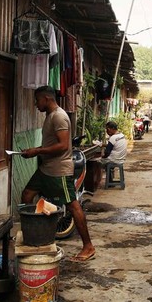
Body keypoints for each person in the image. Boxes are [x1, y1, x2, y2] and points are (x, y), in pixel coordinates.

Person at [21, 85, 95, 261]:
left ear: (46, 99)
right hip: (46, 169)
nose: (35, 104)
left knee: (72, 206)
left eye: (37, 100)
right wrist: (36, 151)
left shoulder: (59, 117)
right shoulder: (50, 116)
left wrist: (37, 151)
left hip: (58, 170)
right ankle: (35, 235)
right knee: (27, 195)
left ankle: (88, 246)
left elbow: (62, 146)